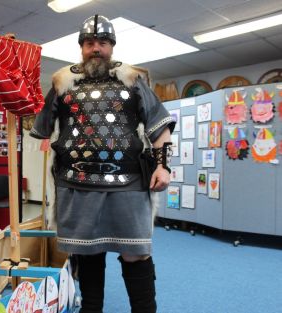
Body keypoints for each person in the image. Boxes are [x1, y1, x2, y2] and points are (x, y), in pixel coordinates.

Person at [30, 15, 175, 313]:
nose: (96, 48)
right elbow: (41, 126)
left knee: (136, 254)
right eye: (90, 43)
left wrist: (163, 166)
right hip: (75, 184)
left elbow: (159, 127)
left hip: (129, 184)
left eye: (103, 43)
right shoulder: (62, 82)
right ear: (82, 47)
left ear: (112, 46)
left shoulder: (133, 79)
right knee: (89, 255)